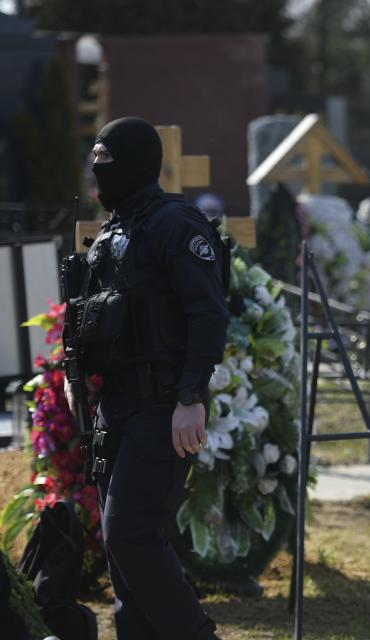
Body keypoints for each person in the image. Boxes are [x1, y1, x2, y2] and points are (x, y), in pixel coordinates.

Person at [65, 117, 228, 640]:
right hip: (116, 403)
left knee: (129, 532)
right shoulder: (115, 229)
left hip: (162, 402)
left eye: (106, 158)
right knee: (121, 551)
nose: (96, 169)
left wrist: (190, 396)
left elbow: (208, 313)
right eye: (94, 158)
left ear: (136, 161)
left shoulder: (174, 224)